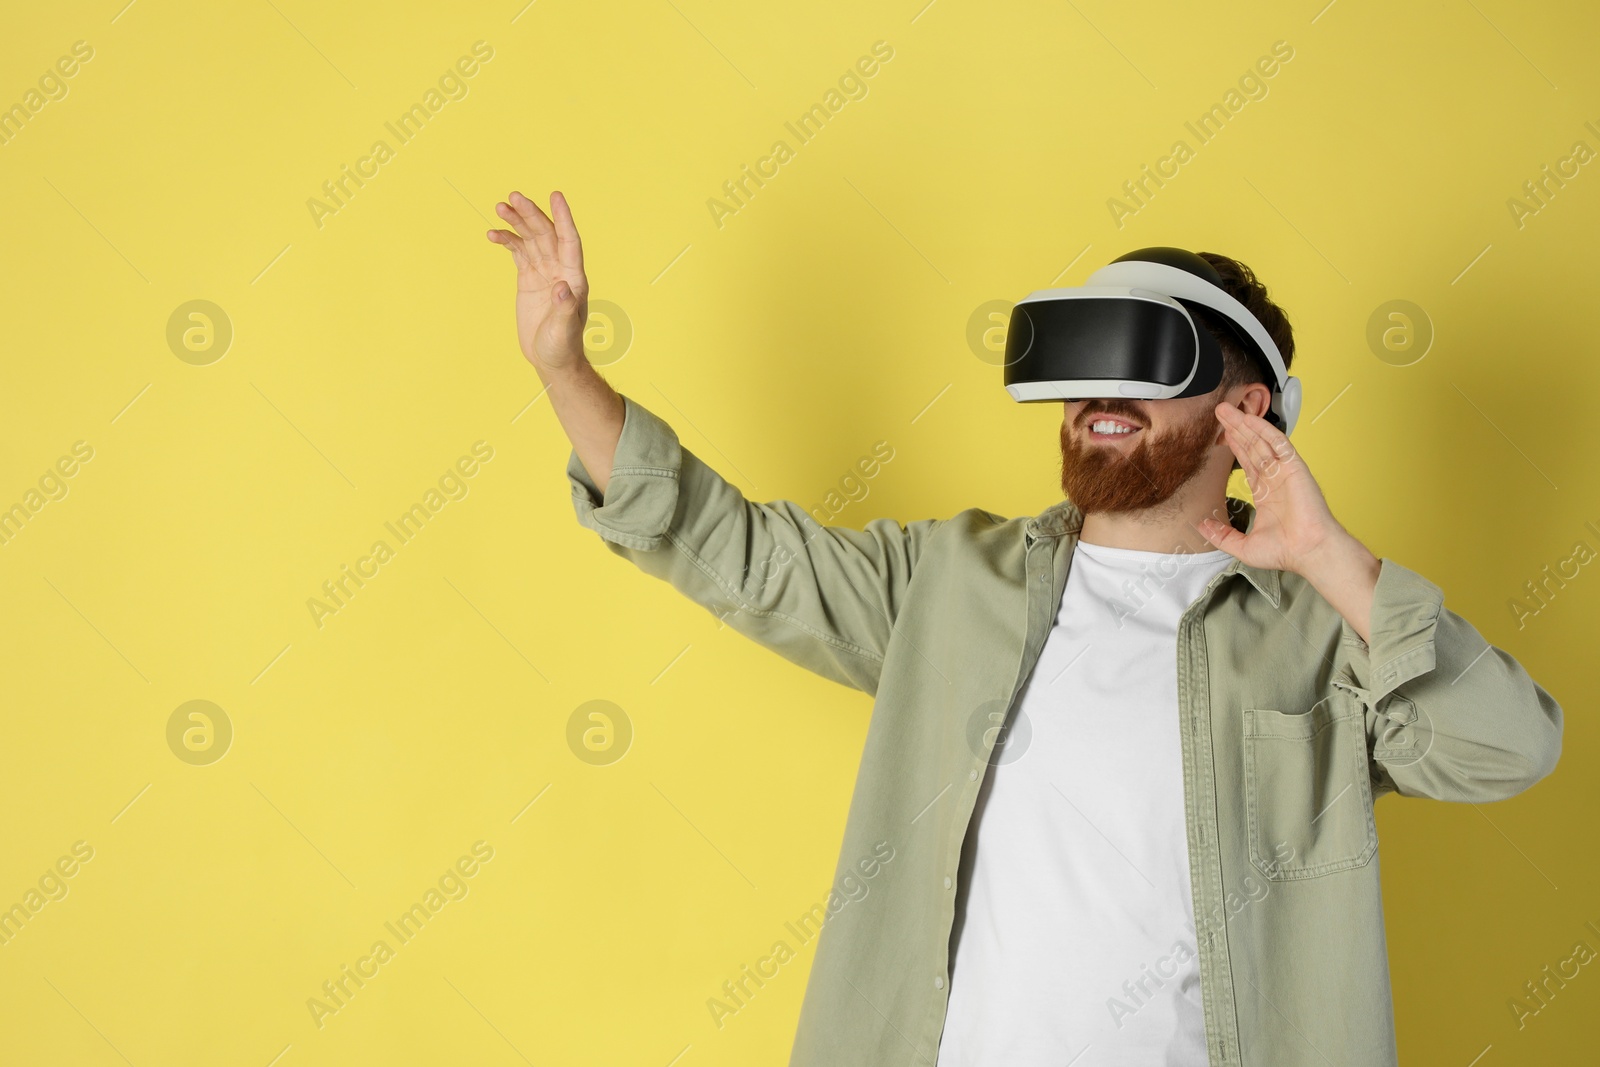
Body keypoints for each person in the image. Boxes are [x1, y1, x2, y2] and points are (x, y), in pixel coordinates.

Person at [487, 190, 1564, 1066]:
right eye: (1084, 369)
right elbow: (730, 546)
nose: (1101, 394)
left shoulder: (1326, 633)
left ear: (1248, 411)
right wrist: (563, 369)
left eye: (1143, 367)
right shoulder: (947, 584)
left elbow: (1508, 745)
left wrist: (1330, 556)